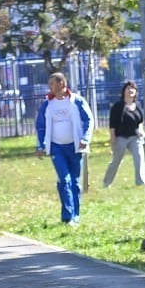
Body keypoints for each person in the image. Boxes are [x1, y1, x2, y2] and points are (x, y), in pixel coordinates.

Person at [35, 72, 94, 226]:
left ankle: (76, 215)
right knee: (65, 179)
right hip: (57, 148)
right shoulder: (48, 104)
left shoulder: (76, 101)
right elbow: (40, 126)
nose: (50, 87)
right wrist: (40, 145)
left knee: (74, 182)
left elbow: (89, 120)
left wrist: (85, 138)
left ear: (61, 83)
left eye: (52, 84)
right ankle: (67, 217)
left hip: (75, 147)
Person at [104, 80, 145, 187]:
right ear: (124, 91)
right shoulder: (118, 106)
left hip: (134, 137)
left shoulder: (138, 105)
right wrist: (113, 138)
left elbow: (140, 121)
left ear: (136, 92)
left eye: (133, 88)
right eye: (128, 88)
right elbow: (112, 124)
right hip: (120, 137)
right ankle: (107, 182)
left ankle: (140, 181)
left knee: (139, 157)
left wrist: (141, 131)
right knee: (117, 160)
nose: (130, 90)